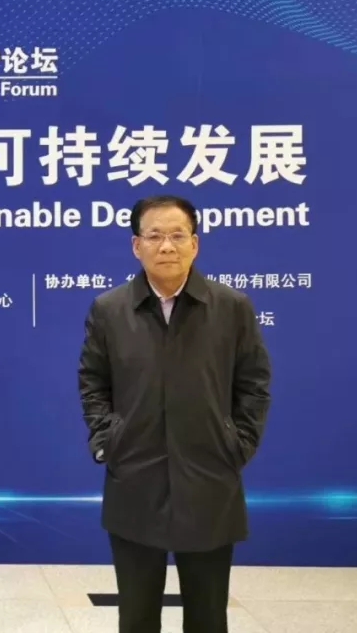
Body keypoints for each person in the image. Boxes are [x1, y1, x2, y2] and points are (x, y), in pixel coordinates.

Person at [77, 194, 272, 633]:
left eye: (178, 235)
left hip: (209, 478)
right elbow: (93, 382)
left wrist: (236, 445)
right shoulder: (109, 310)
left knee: (207, 616)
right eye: (155, 236)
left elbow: (254, 383)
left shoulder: (231, 307)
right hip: (135, 478)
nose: (167, 246)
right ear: (137, 245)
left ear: (195, 244)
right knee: (136, 616)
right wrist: (109, 440)